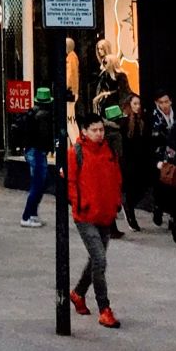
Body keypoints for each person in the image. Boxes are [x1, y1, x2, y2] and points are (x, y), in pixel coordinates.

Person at [65, 113, 122, 328]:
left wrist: (116, 202)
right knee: (100, 260)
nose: (99, 134)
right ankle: (104, 308)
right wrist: (78, 205)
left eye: (101, 130)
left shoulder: (110, 151)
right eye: (95, 130)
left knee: (96, 260)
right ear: (84, 131)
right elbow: (71, 182)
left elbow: (116, 177)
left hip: (105, 214)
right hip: (86, 215)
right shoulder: (76, 153)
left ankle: (78, 293)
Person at [149, 91, 176, 238]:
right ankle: (158, 207)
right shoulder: (154, 117)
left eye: (166, 102)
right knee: (162, 185)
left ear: (171, 101)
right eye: (160, 103)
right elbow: (152, 138)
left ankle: (173, 218)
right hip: (161, 156)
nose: (164, 105)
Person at [16, 98, 52, 229]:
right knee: (38, 183)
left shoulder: (31, 113)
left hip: (32, 150)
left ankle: (32, 214)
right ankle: (27, 216)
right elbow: (43, 136)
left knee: (40, 182)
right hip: (37, 151)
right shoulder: (43, 115)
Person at [119, 93, 153, 232]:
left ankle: (128, 205)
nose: (138, 107)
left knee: (143, 186)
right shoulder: (124, 122)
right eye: (135, 104)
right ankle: (130, 212)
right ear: (129, 105)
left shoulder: (143, 121)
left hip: (142, 159)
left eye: (139, 104)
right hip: (128, 159)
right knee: (131, 187)